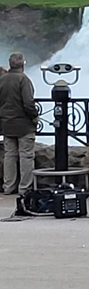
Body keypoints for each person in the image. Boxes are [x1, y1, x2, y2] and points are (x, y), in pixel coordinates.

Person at [0, 53, 39, 199]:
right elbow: (28, 103)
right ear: (23, 65)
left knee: (9, 155)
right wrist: (35, 117)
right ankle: (25, 188)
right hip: (23, 125)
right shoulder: (24, 80)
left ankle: (8, 186)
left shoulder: (2, 80)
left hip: (7, 124)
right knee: (26, 156)